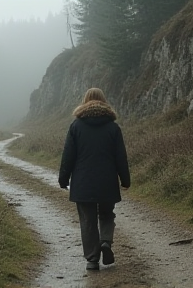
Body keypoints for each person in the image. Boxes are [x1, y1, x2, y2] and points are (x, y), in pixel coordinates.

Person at [58, 87, 130, 271]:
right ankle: (105, 242)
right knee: (106, 214)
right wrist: (125, 179)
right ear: (104, 101)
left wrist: (63, 178)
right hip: (107, 182)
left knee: (88, 221)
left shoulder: (76, 126)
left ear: (85, 101)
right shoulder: (113, 127)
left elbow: (68, 156)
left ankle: (92, 259)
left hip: (83, 182)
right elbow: (120, 156)